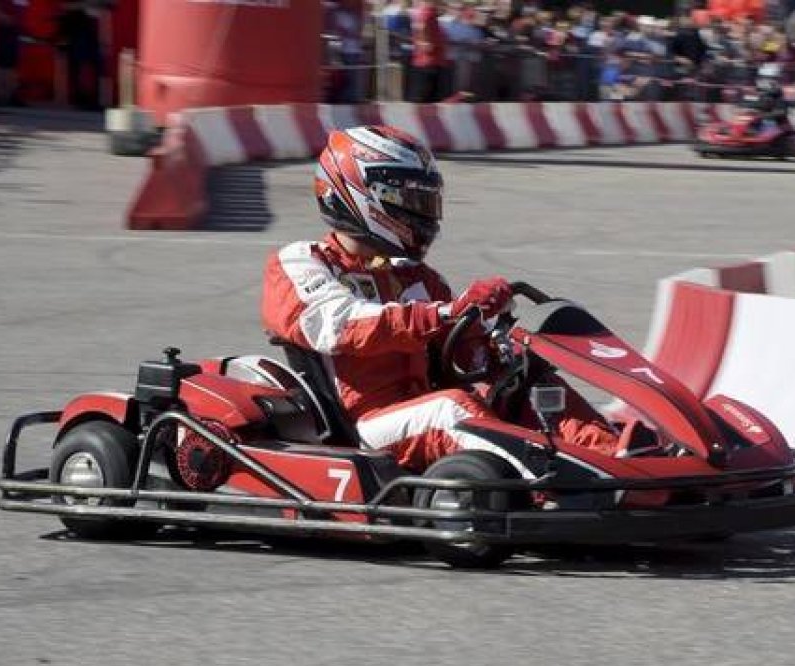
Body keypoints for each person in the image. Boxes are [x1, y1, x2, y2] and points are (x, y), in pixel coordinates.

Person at [261, 126, 618, 472]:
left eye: (426, 199)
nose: (422, 211)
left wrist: (497, 345)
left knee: (527, 382)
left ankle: (615, 457)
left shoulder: (415, 277)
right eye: (408, 199)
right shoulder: (301, 262)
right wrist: (447, 312)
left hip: (423, 405)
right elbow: (342, 325)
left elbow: (463, 355)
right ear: (360, 194)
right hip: (366, 424)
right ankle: (554, 484)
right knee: (452, 410)